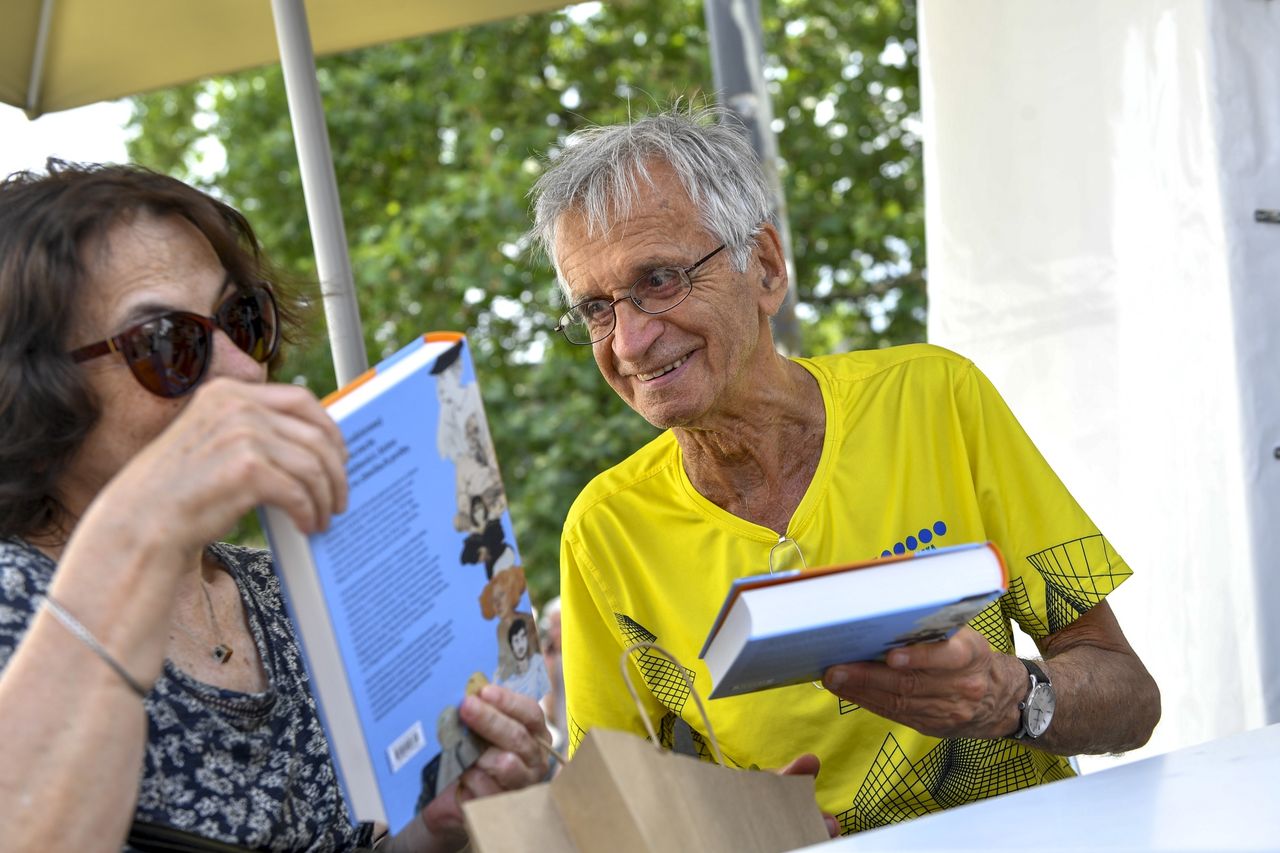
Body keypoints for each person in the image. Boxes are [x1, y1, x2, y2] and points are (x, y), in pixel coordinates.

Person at [529, 107, 1161, 833]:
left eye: (661, 279)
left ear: (765, 267)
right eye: (596, 309)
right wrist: (737, 830)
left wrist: (1013, 696)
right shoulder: (605, 530)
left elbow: (1131, 699)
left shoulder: (933, 398)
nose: (631, 340)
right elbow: (608, 823)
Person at [0, 161, 548, 852]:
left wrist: (437, 828)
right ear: (32, 389)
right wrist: (141, 529)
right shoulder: (15, 598)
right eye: (169, 343)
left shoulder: (281, 587)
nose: (244, 369)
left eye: (241, 319)